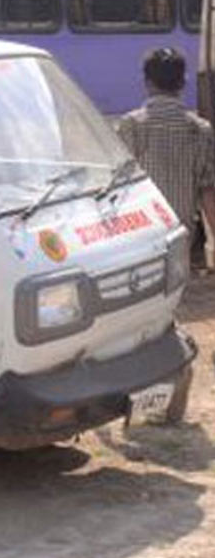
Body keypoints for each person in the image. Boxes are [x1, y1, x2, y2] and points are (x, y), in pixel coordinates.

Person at [117, 47, 215, 423]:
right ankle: (170, 396)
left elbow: (120, 186)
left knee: (141, 320)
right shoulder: (199, 130)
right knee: (167, 313)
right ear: (183, 82)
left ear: (146, 82)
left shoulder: (132, 125)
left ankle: (149, 400)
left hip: (137, 241)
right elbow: (208, 190)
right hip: (178, 242)